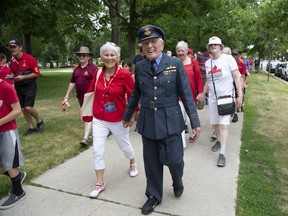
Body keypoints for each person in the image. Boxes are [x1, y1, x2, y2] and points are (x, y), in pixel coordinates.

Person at [122, 25, 201, 215]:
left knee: (175, 160)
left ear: (161, 44)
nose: (149, 46)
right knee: (151, 162)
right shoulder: (140, 67)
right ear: (142, 47)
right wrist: (127, 115)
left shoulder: (175, 63)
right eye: (145, 43)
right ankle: (153, 196)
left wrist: (194, 122)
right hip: (148, 121)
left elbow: (187, 94)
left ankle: (178, 181)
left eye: (153, 42)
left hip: (171, 121)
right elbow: (135, 94)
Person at [83, 42, 138, 199]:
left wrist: (131, 116)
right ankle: (100, 183)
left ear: (118, 57)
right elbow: (91, 91)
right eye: (106, 54)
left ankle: (132, 162)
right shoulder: (98, 73)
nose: (109, 57)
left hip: (118, 119)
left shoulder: (125, 75)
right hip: (99, 118)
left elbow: (134, 97)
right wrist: (86, 112)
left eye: (112, 54)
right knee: (97, 150)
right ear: (101, 57)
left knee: (124, 146)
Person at [204, 36, 242, 167]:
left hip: (226, 97)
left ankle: (222, 154)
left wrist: (240, 96)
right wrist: (203, 94)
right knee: (215, 124)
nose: (213, 46)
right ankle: (219, 140)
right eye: (211, 45)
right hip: (213, 98)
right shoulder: (208, 63)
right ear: (209, 48)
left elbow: (237, 77)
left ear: (220, 47)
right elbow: (208, 81)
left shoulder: (228, 59)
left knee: (224, 125)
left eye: (216, 44)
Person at [8, 39, 44, 136]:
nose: (12, 49)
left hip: (29, 85)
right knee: (23, 109)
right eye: (11, 47)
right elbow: (12, 72)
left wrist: (24, 77)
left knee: (28, 107)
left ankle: (39, 121)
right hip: (18, 86)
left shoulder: (29, 58)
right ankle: (31, 127)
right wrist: (10, 77)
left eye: (14, 46)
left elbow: (37, 73)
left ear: (20, 47)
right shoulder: (12, 60)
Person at [0, 78, 27, 209]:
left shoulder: (6, 87)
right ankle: (18, 175)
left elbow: (17, 111)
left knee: (9, 163)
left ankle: (18, 192)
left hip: (7, 131)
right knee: (3, 165)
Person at [62, 46, 97, 146]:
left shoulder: (92, 69)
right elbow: (72, 82)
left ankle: (85, 138)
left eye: (84, 55)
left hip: (90, 96)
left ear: (88, 57)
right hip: (80, 97)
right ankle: (94, 133)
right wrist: (67, 95)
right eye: (80, 55)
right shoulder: (76, 69)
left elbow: (98, 82)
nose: (81, 57)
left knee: (88, 115)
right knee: (87, 115)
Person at [175, 41, 204, 145]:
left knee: (189, 118)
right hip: (177, 96)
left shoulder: (193, 62)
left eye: (182, 51)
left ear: (187, 51)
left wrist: (200, 92)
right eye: (178, 51)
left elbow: (198, 78)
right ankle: (182, 142)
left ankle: (193, 134)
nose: (180, 53)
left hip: (190, 95)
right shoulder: (174, 62)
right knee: (180, 119)